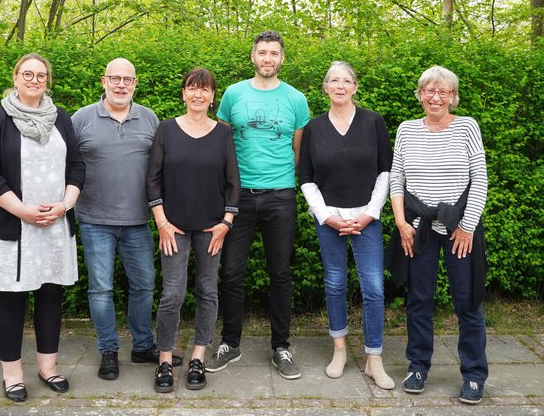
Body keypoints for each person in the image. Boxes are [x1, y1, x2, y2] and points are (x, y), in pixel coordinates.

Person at [0, 53, 85, 402]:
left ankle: (48, 368)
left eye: (41, 75)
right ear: (16, 77)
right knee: (11, 298)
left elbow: (77, 167)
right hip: (13, 226)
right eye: (28, 74)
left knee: (50, 295)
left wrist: (64, 205)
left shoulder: (61, 119)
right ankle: (12, 375)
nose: (34, 80)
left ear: (47, 81)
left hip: (54, 224)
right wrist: (23, 211)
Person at [206, 30, 310, 380]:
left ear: (282, 59)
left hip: (280, 196)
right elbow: (220, 146)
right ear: (253, 57)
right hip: (238, 199)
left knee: (280, 273)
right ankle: (230, 343)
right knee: (232, 272)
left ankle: (281, 346)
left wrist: (285, 185)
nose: (268, 58)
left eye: (274, 53)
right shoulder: (234, 94)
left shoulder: (296, 99)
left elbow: (298, 153)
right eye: (262, 52)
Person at [71, 58, 182, 381]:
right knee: (101, 289)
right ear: (103, 81)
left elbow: (162, 169)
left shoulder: (149, 119)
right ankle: (108, 350)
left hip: (137, 220)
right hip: (94, 219)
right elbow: (68, 164)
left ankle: (143, 345)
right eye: (115, 79)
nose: (121, 85)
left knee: (145, 285)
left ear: (135, 84)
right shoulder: (81, 119)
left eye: (128, 80)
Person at [388, 65, 489, 404]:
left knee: (468, 301)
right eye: (429, 90)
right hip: (418, 228)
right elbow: (396, 179)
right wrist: (401, 222)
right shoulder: (406, 130)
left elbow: (480, 179)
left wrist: (467, 225)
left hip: (461, 227)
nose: (435, 97)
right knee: (418, 300)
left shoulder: (467, 127)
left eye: (443, 91)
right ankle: (418, 366)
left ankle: (474, 374)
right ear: (420, 94)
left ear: (452, 97)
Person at [298, 61, 394, 390]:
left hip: (366, 218)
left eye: (347, 81)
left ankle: (373, 359)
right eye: (334, 81)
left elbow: (385, 171)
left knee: (373, 288)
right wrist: (326, 216)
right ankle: (339, 350)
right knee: (335, 284)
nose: (340, 86)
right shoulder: (314, 128)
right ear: (325, 88)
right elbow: (306, 178)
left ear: (355, 87)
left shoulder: (373, 122)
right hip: (330, 219)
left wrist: (370, 212)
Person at [147, 68, 240, 393]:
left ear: (213, 96)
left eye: (205, 89)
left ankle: (198, 355)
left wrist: (226, 224)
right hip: (173, 228)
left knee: (207, 291)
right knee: (172, 294)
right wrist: (161, 222)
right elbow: (153, 179)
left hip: (211, 229)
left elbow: (233, 184)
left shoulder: (223, 133)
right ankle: (164, 358)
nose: (198, 94)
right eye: (191, 88)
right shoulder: (166, 130)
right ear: (184, 93)